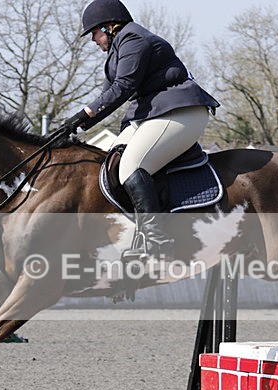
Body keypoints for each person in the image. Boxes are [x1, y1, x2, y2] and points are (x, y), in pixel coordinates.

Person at [61, 0, 220, 261]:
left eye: (94, 32)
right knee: (108, 163)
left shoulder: (134, 38)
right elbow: (107, 96)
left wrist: (82, 115)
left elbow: (123, 87)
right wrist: (76, 124)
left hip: (181, 111)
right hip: (152, 115)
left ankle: (158, 241)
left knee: (131, 166)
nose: (93, 39)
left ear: (109, 27)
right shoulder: (118, 50)